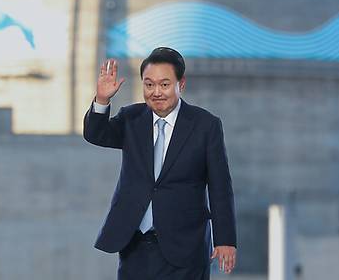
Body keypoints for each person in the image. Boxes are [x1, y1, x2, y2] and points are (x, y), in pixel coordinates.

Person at [83, 47, 237, 279]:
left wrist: (225, 240)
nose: (156, 92)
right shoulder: (131, 118)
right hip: (135, 244)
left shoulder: (205, 125)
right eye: (149, 84)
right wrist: (103, 100)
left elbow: (220, 187)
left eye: (164, 85)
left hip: (185, 246)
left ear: (180, 84)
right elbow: (96, 134)